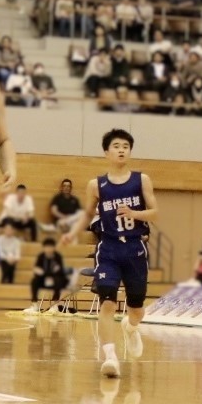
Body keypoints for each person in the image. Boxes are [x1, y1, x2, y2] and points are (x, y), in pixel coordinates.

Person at [63, 129, 158, 377]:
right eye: (116, 146)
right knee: (107, 302)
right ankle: (110, 357)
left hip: (135, 248)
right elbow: (87, 214)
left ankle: (131, 328)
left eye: (125, 146)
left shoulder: (141, 180)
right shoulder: (96, 185)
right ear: (106, 152)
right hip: (109, 249)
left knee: (137, 308)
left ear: (130, 151)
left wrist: (135, 214)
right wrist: (72, 232)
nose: (121, 150)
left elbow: (156, 213)